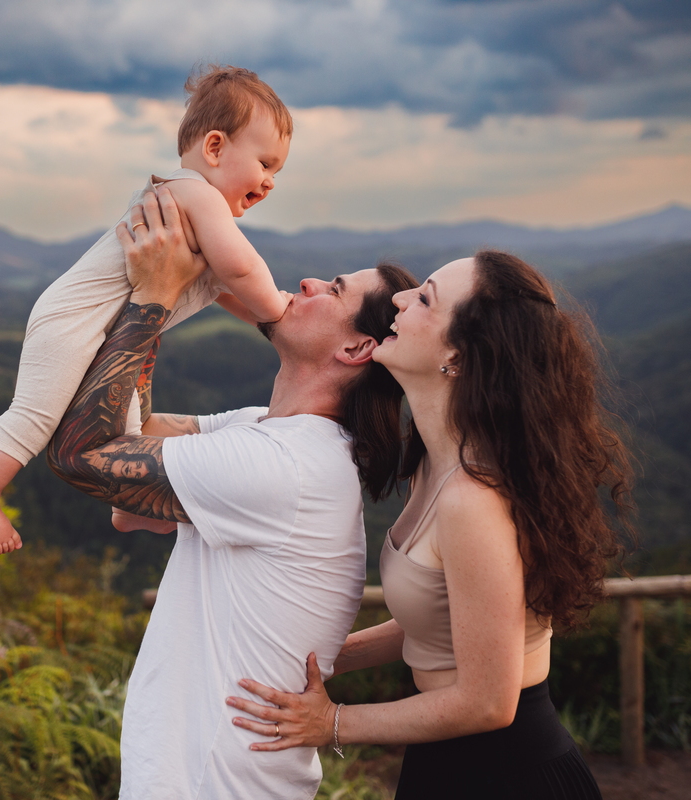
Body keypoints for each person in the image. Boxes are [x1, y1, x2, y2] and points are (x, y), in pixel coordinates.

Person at [46, 187, 418, 799]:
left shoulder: (287, 466)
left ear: (357, 349)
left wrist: (154, 295)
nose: (308, 283)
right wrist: (165, 291)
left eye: (334, 288)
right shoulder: (265, 433)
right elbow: (130, 443)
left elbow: (81, 454)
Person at [225, 251, 633, 799]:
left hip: (507, 775)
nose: (400, 297)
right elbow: (445, 622)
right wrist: (324, 656)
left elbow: (488, 702)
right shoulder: (433, 464)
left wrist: (331, 722)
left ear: (457, 357)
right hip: (450, 760)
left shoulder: (473, 501)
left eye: (424, 299)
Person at [0, 65, 295, 554]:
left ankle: (130, 504)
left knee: (126, 429)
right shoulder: (194, 194)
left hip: (103, 329)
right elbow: (242, 271)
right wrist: (274, 305)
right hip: (72, 320)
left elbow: (223, 290)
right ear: (215, 148)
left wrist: (269, 317)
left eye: (277, 172)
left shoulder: (192, 211)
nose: (269, 182)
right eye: (265, 164)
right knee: (36, 414)